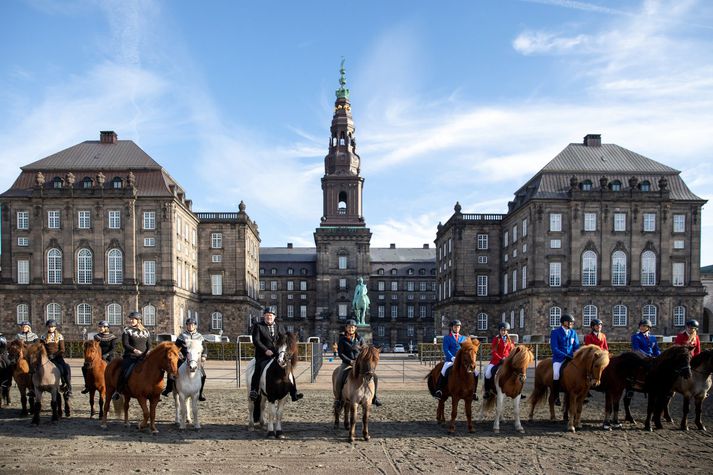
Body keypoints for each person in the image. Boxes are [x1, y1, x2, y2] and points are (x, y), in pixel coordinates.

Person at [249, 307, 302, 402]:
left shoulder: (279, 326)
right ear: (264, 316)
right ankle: (254, 390)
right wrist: (266, 350)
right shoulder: (258, 326)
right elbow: (256, 341)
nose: (269, 317)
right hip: (263, 354)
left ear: (274, 316)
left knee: (288, 369)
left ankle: (294, 393)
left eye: (271, 315)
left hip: (277, 354)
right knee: (258, 368)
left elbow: (283, 339)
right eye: (267, 315)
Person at [334, 319, 382, 408]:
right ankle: (338, 399)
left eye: (352, 327)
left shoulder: (360, 339)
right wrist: (350, 361)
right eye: (349, 327)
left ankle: (374, 397)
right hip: (347, 363)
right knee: (340, 377)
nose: (350, 329)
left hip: (359, 364)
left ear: (355, 328)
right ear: (346, 328)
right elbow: (341, 354)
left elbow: (365, 351)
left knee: (374, 376)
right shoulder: (342, 339)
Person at [162, 318, 207, 401]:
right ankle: (168, 389)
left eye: (192, 324)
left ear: (195, 326)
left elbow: (204, 348)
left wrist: (204, 356)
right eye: (189, 324)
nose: (190, 326)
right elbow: (175, 347)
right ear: (187, 326)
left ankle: (200, 393)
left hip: (194, 360)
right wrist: (179, 354)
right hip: (183, 359)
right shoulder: (182, 335)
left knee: (203, 375)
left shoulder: (199, 337)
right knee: (172, 374)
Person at [435, 320, 479, 400]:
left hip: (462, 361)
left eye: (458, 327)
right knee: (444, 370)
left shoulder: (464, 338)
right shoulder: (447, 338)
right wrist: (452, 357)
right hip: (450, 360)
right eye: (455, 326)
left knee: (476, 372)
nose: (457, 328)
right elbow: (445, 349)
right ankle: (439, 390)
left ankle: (474, 392)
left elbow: (468, 350)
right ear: (452, 327)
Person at [112, 311, 151, 401]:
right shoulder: (127, 330)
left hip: (144, 356)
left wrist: (148, 351)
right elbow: (125, 344)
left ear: (139, 320)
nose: (131, 320)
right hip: (131, 355)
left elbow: (149, 344)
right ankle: (118, 391)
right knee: (124, 371)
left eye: (133, 319)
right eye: (131, 319)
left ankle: (153, 391)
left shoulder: (146, 331)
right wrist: (135, 350)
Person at [550, 313, 580, 406]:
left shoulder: (573, 332)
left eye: (572, 322)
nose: (571, 324)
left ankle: (583, 393)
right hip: (559, 358)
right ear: (564, 323)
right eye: (570, 322)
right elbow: (554, 348)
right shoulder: (555, 332)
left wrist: (577, 353)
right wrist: (564, 355)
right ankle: (556, 396)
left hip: (571, 358)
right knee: (556, 374)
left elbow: (576, 346)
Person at [81, 320, 118, 394]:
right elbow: (93, 347)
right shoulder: (97, 337)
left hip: (108, 356)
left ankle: (115, 388)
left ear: (107, 328)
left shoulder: (113, 337)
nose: (101, 328)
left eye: (103, 327)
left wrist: (106, 355)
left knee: (114, 369)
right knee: (84, 368)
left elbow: (113, 349)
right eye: (100, 327)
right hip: (98, 357)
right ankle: (87, 385)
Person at [482, 322, 515, 400]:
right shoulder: (496, 339)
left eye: (504, 330)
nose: (503, 332)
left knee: (517, 371)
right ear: (499, 331)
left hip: (507, 361)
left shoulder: (510, 341)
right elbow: (494, 351)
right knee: (487, 373)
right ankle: (487, 391)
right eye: (501, 330)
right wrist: (500, 358)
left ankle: (516, 390)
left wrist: (508, 359)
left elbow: (512, 351)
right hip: (496, 360)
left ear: (507, 331)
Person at [40, 319, 72, 397]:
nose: (51, 328)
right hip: (46, 357)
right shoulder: (43, 336)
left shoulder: (60, 336)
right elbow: (41, 348)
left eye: (52, 327)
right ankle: (34, 388)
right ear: (47, 327)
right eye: (49, 327)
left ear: (55, 327)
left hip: (57, 357)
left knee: (65, 368)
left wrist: (54, 355)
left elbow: (62, 349)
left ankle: (68, 387)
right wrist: (46, 356)